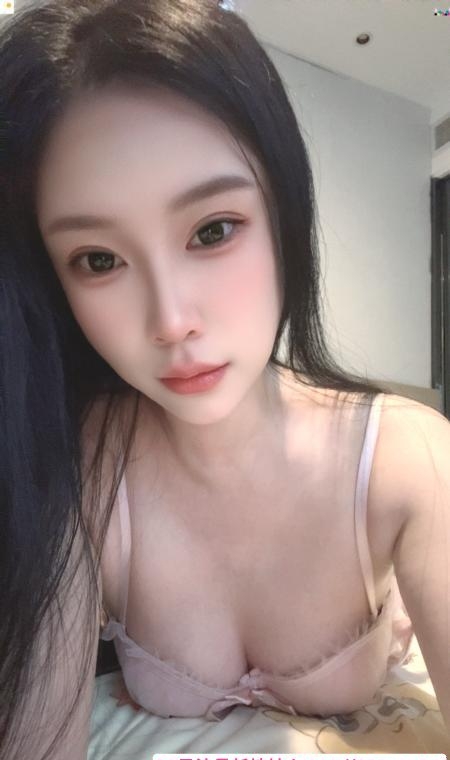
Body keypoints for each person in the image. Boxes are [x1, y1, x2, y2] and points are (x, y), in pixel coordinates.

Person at [0, 0, 449, 758]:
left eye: (212, 230)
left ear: (284, 214)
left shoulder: (408, 456)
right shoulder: (83, 462)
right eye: (98, 260)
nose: (171, 321)